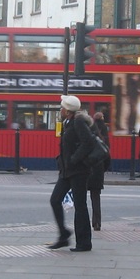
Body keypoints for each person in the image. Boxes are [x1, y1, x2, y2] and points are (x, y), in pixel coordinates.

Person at [49, 95, 95, 252]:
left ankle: (84, 243)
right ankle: (64, 234)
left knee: (80, 205)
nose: (60, 109)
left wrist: (75, 159)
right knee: (55, 200)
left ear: (67, 110)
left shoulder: (78, 122)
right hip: (67, 171)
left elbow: (88, 142)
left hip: (79, 171)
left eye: (62, 107)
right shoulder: (68, 122)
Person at [88, 112, 110, 231]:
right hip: (98, 172)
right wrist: (102, 170)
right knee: (96, 198)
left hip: (86, 172)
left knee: (81, 199)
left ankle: (85, 222)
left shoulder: (86, 142)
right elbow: (108, 158)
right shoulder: (101, 144)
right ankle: (97, 223)